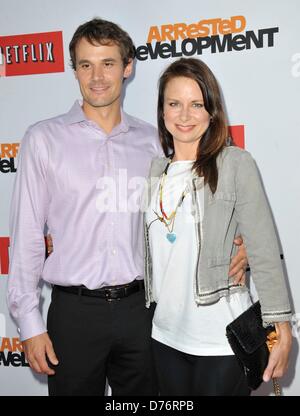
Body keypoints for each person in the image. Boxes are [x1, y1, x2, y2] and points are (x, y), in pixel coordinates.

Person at [7, 19, 247, 396]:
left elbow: (195, 211)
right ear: (74, 70)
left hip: (144, 312)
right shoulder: (43, 140)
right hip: (74, 314)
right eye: (86, 64)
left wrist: (240, 241)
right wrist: (30, 324)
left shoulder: (155, 143)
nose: (97, 76)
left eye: (108, 63)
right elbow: (26, 241)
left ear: (128, 66)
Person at [144, 57, 293, 396]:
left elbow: (265, 249)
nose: (184, 115)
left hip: (221, 341)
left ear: (212, 111)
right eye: (174, 104)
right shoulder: (154, 172)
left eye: (196, 104)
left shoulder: (235, 164)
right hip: (164, 336)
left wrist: (282, 328)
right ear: (162, 111)